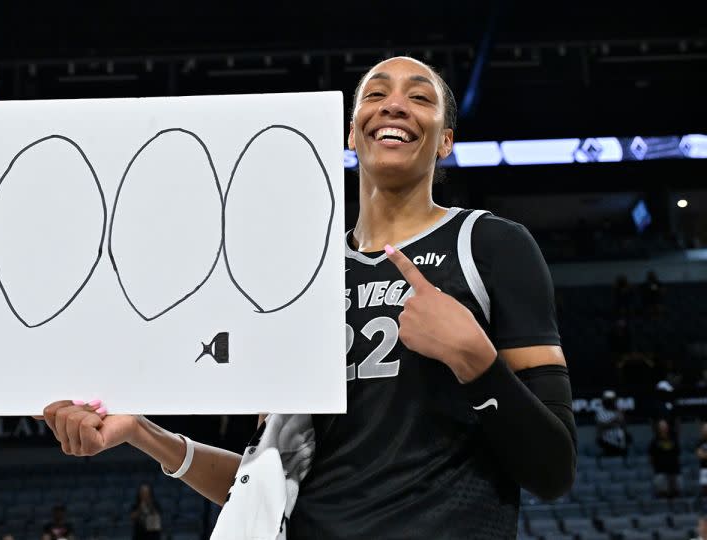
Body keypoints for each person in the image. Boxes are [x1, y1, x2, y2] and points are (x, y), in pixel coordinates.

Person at [38, 56, 576, 539]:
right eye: (375, 93)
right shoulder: (299, 279)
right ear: (350, 133)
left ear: (445, 140)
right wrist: (142, 433)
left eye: (419, 96)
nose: (394, 104)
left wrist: (476, 362)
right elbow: (263, 484)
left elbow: (553, 471)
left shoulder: (492, 245)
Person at [649, 419, 681, 498]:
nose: (663, 428)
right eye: (661, 426)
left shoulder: (674, 440)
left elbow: (678, 453)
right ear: (658, 428)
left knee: (676, 493)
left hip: (674, 470)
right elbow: (651, 456)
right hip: (660, 471)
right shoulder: (654, 442)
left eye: (664, 426)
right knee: (662, 493)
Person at [595, 390, 630, 458]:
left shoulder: (617, 411)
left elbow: (623, 425)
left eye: (612, 400)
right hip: (607, 440)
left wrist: (620, 417)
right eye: (609, 400)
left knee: (628, 438)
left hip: (619, 440)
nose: (611, 402)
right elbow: (601, 426)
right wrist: (614, 421)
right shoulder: (600, 412)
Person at [696, 422, 707, 497]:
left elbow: (703, 454)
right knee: (705, 490)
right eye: (705, 429)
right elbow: (700, 455)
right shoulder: (699, 442)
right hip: (704, 469)